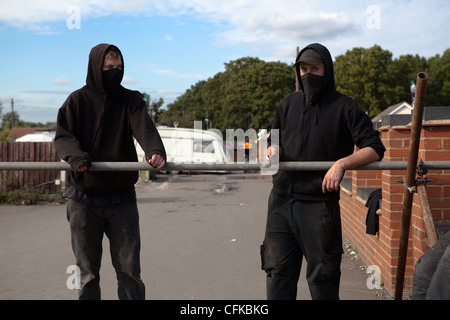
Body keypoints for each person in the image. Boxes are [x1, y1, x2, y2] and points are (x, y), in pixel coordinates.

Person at [261, 43, 386, 300]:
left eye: (314, 69)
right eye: (303, 69)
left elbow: (374, 147)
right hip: (281, 202)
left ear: (326, 70)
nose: (308, 74)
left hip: (318, 206)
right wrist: (274, 150)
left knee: (323, 280)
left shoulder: (345, 107)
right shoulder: (288, 104)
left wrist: (341, 163)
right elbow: (274, 138)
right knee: (277, 275)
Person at [54, 43, 166, 300]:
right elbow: (63, 137)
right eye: (109, 68)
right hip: (83, 198)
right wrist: (77, 157)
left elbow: (144, 128)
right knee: (87, 273)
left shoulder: (131, 100)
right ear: (96, 68)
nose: (115, 72)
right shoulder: (77, 101)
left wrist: (154, 151)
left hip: (121, 198)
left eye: (119, 67)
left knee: (129, 272)